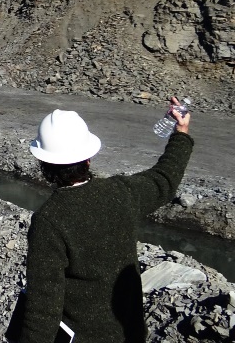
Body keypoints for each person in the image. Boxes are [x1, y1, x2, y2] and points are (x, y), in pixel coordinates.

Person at [20, 98, 194, 343]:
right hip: (129, 334)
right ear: (88, 158)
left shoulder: (49, 220)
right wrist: (181, 133)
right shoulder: (122, 192)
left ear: (44, 164)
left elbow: (43, 305)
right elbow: (164, 179)